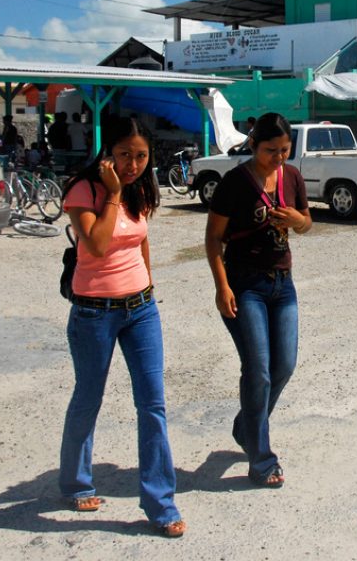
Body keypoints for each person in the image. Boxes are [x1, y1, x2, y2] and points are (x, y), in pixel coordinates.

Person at [58, 116, 185, 538]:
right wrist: (113, 193)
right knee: (89, 397)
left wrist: (147, 284)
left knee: (153, 405)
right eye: (125, 155)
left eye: (142, 156)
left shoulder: (141, 189)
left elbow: (140, 238)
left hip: (141, 310)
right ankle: (76, 482)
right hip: (94, 312)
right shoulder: (85, 190)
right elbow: (94, 245)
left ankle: (160, 502)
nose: (133, 165)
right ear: (108, 151)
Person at [204, 112, 312, 488]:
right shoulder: (234, 182)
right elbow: (213, 239)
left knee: (285, 365)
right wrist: (222, 287)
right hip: (244, 285)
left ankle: (245, 427)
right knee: (258, 370)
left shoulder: (293, 177)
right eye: (271, 151)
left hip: (283, 284)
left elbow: (307, 223)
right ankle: (261, 459)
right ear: (252, 145)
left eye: (285, 150)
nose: (280, 157)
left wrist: (297, 219)